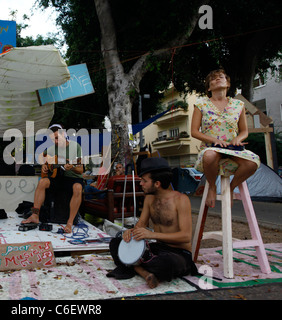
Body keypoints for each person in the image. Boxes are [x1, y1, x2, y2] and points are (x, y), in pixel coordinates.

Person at [107, 157, 197, 288]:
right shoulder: (149, 199)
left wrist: (151, 235)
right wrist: (130, 232)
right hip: (158, 248)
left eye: (144, 181)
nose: (141, 184)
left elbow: (185, 236)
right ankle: (145, 273)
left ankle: (135, 266)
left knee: (165, 264)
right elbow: (141, 225)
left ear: (157, 184)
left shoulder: (181, 200)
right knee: (116, 244)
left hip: (179, 253)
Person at [191, 69, 260, 208]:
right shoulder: (201, 104)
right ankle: (211, 187)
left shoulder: (238, 105)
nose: (218, 79)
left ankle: (230, 187)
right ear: (209, 87)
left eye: (221, 77)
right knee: (210, 155)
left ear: (227, 84)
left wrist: (237, 139)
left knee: (252, 162)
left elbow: (244, 131)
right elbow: (194, 131)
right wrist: (213, 140)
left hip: (232, 149)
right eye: (213, 79)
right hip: (211, 148)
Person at [21, 124, 84, 233]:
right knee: (42, 182)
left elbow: (81, 169)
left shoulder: (76, 146)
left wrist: (72, 167)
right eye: (52, 140)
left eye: (56, 138)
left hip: (72, 178)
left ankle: (69, 222)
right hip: (58, 178)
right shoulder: (50, 148)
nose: (55, 142)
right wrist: (44, 166)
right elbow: (43, 158)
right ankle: (35, 215)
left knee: (78, 187)